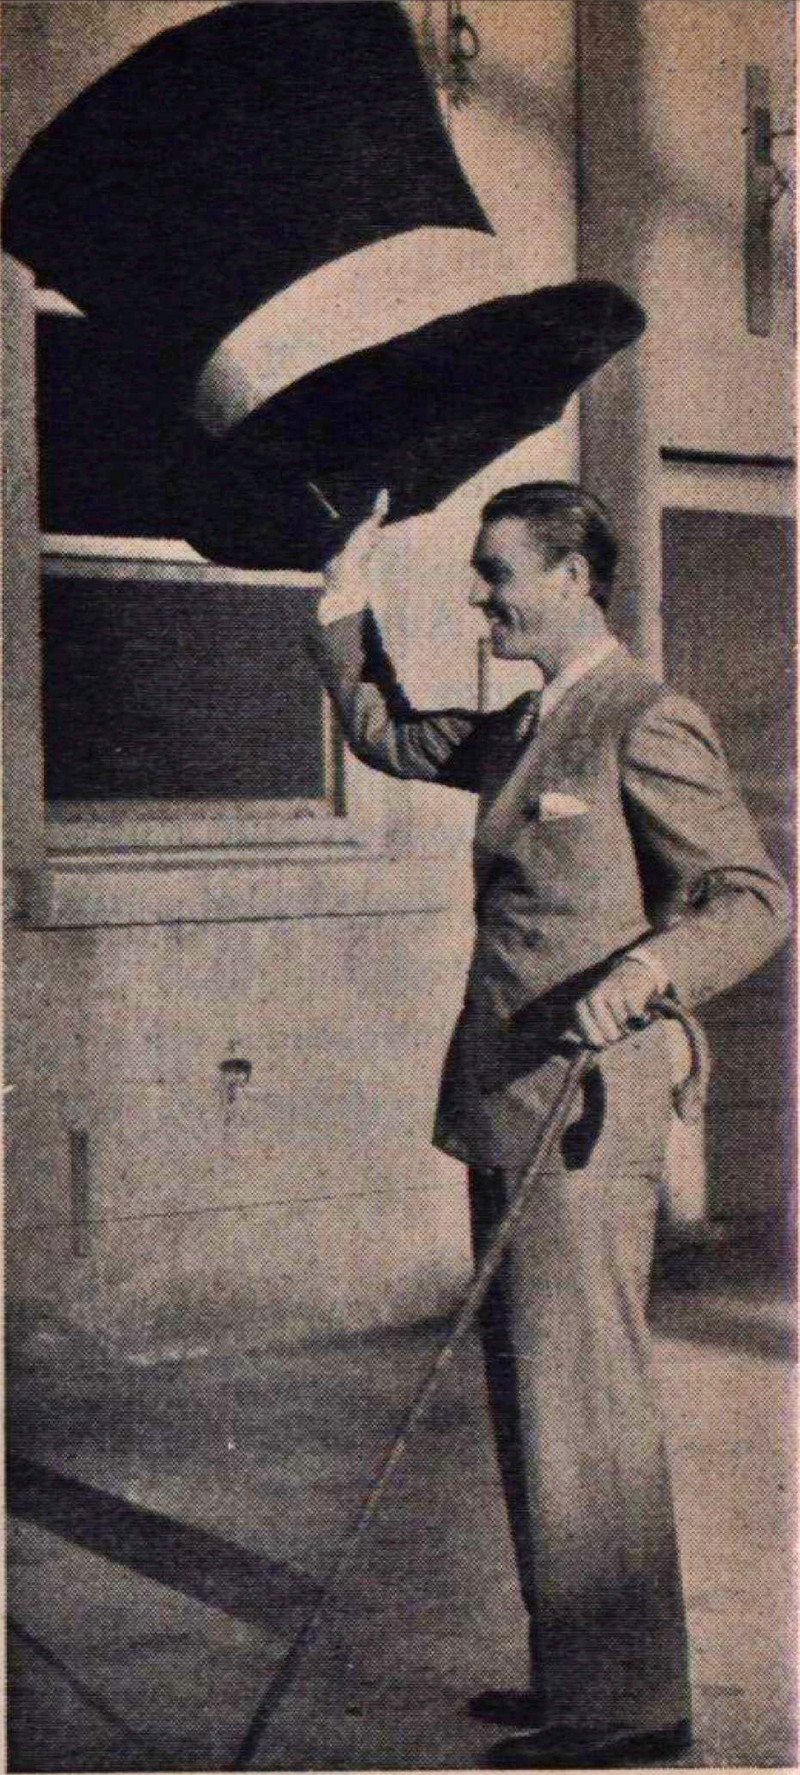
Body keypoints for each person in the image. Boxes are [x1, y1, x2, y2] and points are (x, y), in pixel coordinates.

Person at [306, 481, 789, 1769]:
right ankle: (582, 1669)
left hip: (584, 1110)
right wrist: (345, 589)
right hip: (510, 1103)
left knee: (584, 1395)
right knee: (538, 1394)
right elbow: (391, 735)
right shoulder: (532, 720)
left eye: (500, 573)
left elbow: (752, 899)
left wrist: (649, 972)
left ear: (574, 575)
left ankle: (630, 1705)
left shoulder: (643, 717)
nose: (483, 597)